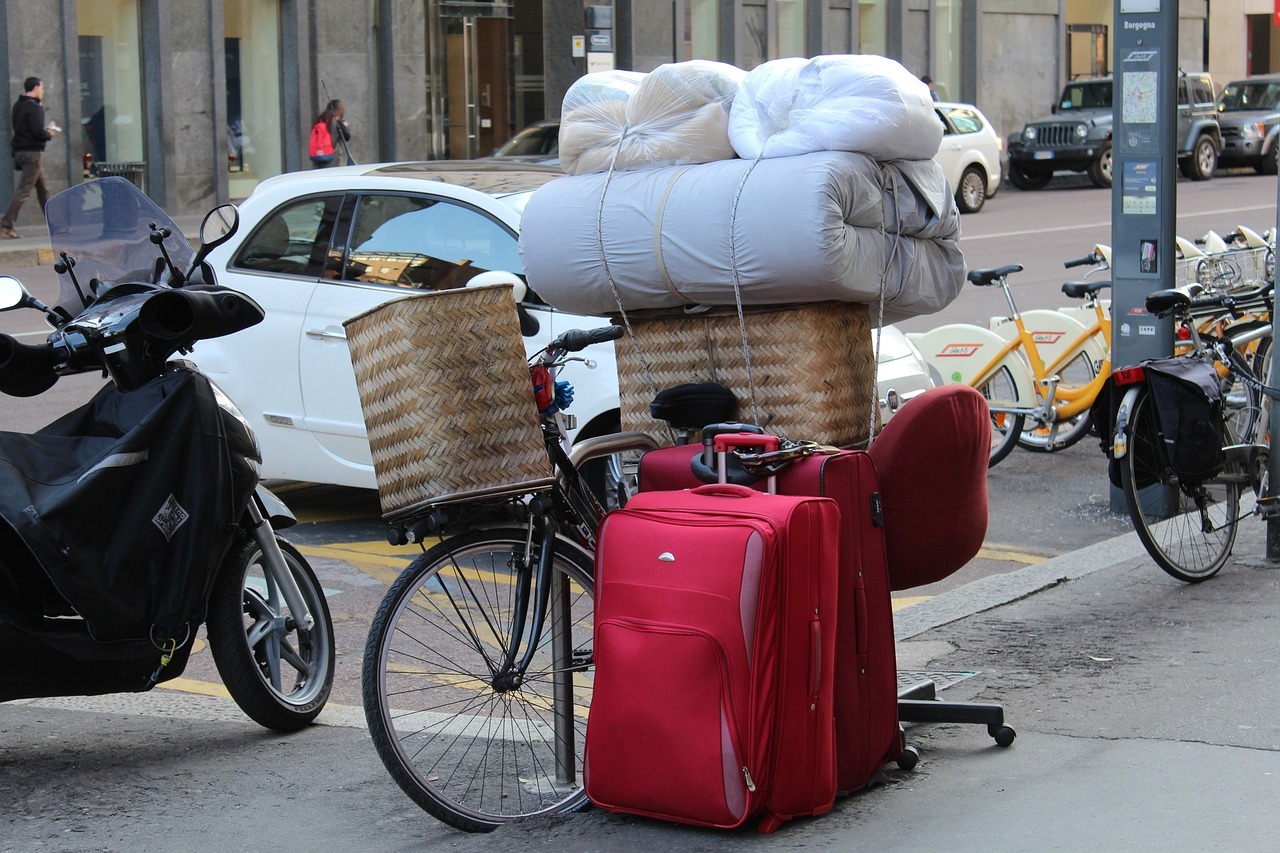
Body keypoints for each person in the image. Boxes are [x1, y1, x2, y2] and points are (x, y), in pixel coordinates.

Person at [2, 77, 58, 239]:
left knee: (43, 188)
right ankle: (7, 223)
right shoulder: (34, 107)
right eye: (41, 87)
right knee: (24, 190)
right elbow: (37, 132)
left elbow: (22, 128)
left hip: (20, 152)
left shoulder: (18, 105)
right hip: (32, 153)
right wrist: (50, 133)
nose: (42, 91)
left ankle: (54, 224)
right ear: (35, 88)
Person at [309, 99, 351, 168]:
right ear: (340, 110)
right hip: (332, 160)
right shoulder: (337, 122)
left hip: (318, 159)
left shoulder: (319, 120)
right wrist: (345, 126)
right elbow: (347, 137)